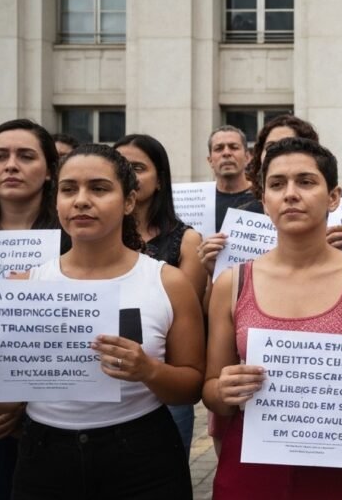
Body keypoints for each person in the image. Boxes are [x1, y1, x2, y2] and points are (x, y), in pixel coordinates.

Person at [0, 143, 205, 498]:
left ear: (129, 201)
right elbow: (4, 405)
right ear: (56, 201)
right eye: (69, 189)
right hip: (45, 453)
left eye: (99, 188)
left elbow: (192, 386)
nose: (81, 200)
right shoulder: (23, 286)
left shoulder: (167, 282)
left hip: (142, 452)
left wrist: (148, 370)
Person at [204, 137, 342, 499]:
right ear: (264, 200)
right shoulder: (233, 282)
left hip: (341, 474)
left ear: (333, 196)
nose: (290, 194)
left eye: (306, 182)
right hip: (251, 472)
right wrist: (223, 389)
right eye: (277, 184)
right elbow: (211, 393)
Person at [0, 119, 62, 500]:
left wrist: (20, 405)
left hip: (53, 419)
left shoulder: (77, 243)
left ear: (49, 171)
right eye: (0, 156)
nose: (10, 165)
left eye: (25, 156)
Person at [115, 134, 208, 455]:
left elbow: (183, 321)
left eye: (137, 167)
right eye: (120, 167)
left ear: (160, 181)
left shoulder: (185, 240)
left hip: (164, 384)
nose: (128, 175)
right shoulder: (92, 242)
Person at [198, 116, 321, 277]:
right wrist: (216, 271)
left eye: (289, 144)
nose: (278, 152)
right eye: (270, 147)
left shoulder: (328, 217)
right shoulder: (243, 213)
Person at [208, 126, 256, 229]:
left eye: (234, 147)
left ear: (247, 157)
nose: (226, 153)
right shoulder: (199, 202)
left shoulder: (264, 197)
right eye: (219, 148)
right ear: (210, 160)